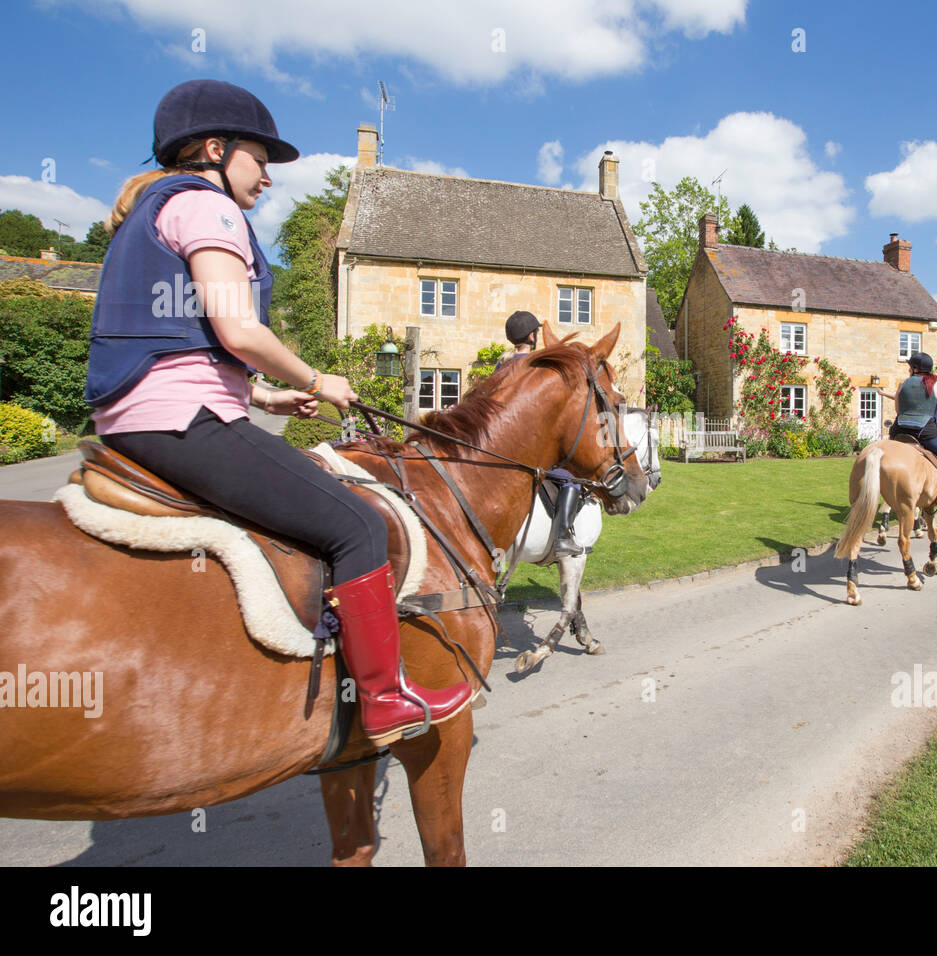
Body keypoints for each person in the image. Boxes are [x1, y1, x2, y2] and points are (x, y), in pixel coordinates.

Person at [83, 79, 471, 746]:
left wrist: (263, 396)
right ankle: (384, 699)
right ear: (213, 149)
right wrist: (321, 379)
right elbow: (239, 332)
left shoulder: (153, 209)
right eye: (258, 159)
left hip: (141, 414)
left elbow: (182, 341)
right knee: (357, 524)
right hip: (181, 421)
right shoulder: (209, 208)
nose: (265, 176)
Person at [494, 310, 585, 556]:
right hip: (525, 447)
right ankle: (563, 538)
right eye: (536, 332)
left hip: (497, 443)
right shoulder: (533, 367)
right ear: (532, 336)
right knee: (570, 479)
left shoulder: (500, 365)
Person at [886, 352, 937, 510]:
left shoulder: (903, 384)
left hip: (898, 431)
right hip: (925, 433)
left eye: (910, 366)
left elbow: (897, 409)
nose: (909, 368)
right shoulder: (936, 386)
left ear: (915, 368)